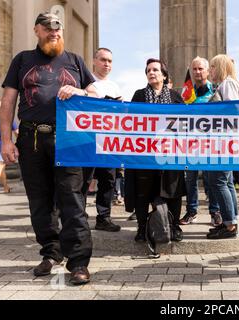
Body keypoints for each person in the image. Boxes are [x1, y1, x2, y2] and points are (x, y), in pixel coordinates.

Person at [0, 12, 98, 285]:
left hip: (69, 139)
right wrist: (6, 140)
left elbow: (98, 95)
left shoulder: (75, 61)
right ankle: (51, 253)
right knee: (40, 202)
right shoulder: (22, 60)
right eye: (48, 29)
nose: (54, 33)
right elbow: (8, 102)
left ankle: (78, 263)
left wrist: (78, 91)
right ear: (37, 31)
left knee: (72, 200)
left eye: (57, 30)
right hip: (31, 139)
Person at [124, 58, 186, 242]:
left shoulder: (175, 97)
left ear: (164, 75)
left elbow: (186, 123)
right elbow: (131, 122)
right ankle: (142, 228)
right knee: (143, 192)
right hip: (145, 155)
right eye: (148, 70)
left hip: (170, 154)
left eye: (155, 70)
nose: (151, 73)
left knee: (173, 192)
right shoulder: (139, 95)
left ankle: (173, 227)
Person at [81, 48, 122, 232]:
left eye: (110, 61)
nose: (107, 64)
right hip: (87, 139)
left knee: (108, 179)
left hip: (108, 139)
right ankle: (78, 216)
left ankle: (103, 217)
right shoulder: (84, 82)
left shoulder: (115, 86)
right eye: (103, 60)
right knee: (83, 179)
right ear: (94, 61)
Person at [179, 56, 222, 227]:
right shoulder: (186, 92)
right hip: (190, 142)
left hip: (211, 142)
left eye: (200, 69)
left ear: (207, 71)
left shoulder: (217, 90)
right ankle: (191, 211)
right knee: (190, 179)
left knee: (212, 179)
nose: (197, 72)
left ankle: (215, 212)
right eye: (194, 69)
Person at [205, 54, 239, 240]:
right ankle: (230, 221)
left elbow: (232, 113)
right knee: (225, 182)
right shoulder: (224, 85)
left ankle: (229, 225)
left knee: (218, 182)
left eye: (212, 66)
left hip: (225, 142)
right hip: (223, 141)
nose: (209, 70)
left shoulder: (228, 84)